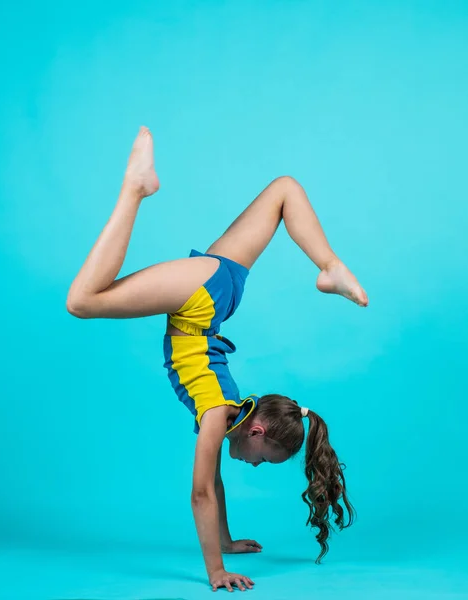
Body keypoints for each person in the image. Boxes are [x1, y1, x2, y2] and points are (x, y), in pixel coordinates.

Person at [67, 126, 368, 593]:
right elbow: (201, 492)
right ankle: (135, 191)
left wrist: (225, 540)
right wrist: (216, 571)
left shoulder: (230, 412)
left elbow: (217, 482)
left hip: (220, 294)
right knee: (83, 301)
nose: (253, 466)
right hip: (198, 303)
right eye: (263, 459)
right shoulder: (215, 413)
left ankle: (329, 265)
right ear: (258, 430)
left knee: (283, 190)